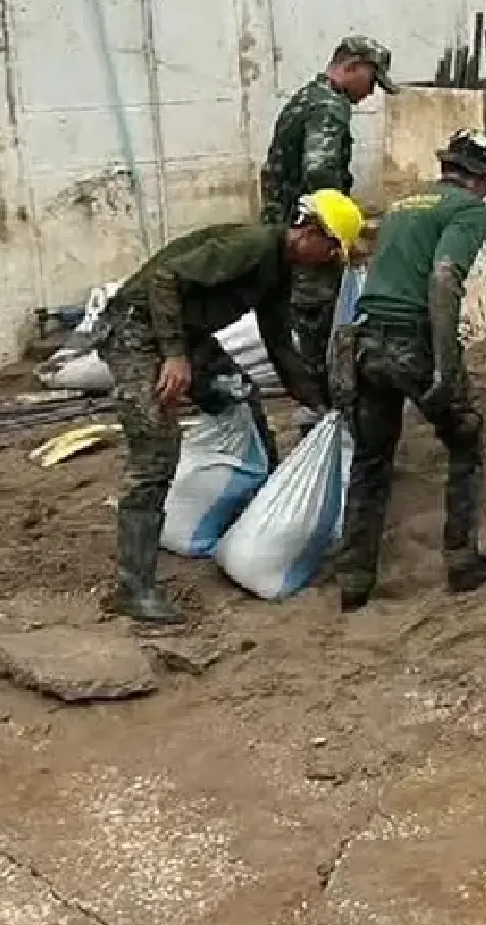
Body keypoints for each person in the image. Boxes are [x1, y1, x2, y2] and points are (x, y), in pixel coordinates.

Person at [99, 191, 361, 623]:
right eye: (331, 247)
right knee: (156, 451)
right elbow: (165, 278)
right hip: (136, 331)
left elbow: (279, 346)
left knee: (238, 392)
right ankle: (135, 586)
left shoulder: (279, 271)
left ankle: (252, 506)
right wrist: (175, 355)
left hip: (184, 335)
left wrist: (324, 406)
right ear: (311, 233)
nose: (330, 258)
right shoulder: (253, 247)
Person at [335, 130, 486, 612]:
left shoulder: (405, 204)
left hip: (367, 342)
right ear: (478, 179)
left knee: (372, 460)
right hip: (412, 341)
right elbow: (442, 278)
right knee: (465, 439)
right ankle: (461, 559)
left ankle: (354, 578)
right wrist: (446, 365)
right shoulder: (466, 210)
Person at [260, 35, 396, 394]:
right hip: (309, 238)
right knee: (319, 320)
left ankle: (315, 396)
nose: (371, 93)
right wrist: (341, 232)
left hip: (286, 230)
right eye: (372, 80)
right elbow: (320, 175)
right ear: (352, 67)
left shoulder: (308, 96)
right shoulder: (328, 107)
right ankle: (325, 403)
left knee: (305, 319)